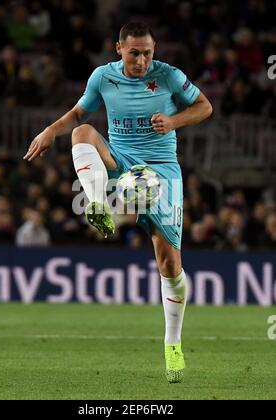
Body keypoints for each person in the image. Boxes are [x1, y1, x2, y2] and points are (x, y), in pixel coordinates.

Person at [23, 22, 213, 383]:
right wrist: (49, 131)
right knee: (83, 133)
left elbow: (205, 107)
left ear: (154, 51)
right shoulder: (102, 78)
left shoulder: (170, 77)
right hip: (120, 162)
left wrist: (174, 120)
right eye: (134, 53)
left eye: (148, 53)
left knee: (169, 263)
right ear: (118, 49)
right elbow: (78, 115)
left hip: (161, 172)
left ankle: (172, 343)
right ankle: (99, 205)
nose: (142, 60)